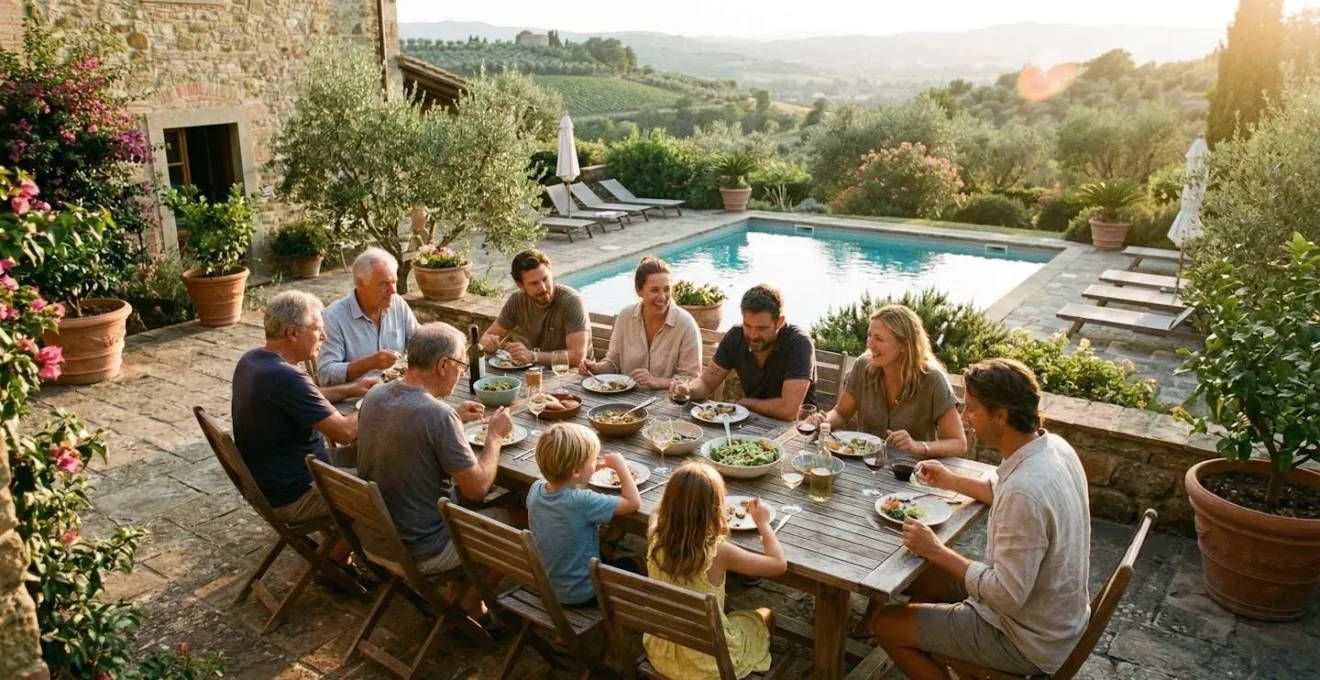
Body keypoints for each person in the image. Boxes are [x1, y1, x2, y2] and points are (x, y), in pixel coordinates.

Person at [872, 358, 1091, 680]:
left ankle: (925, 638)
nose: (963, 417)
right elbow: (1001, 490)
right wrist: (951, 480)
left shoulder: (1024, 492)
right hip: (1056, 615)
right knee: (912, 574)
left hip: (1025, 636)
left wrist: (936, 550)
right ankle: (930, 632)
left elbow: (1005, 593)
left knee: (886, 624)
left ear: (1001, 416)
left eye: (972, 409)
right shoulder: (1052, 448)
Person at [356, 322, 517, 616]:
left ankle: (465, 600)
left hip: (375, 538)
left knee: (467, 503)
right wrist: (494, 436)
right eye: (460, 365)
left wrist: (454, 417)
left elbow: (410, 424)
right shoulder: (437, 417)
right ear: (443, 365)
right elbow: (479, 488)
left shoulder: (375, 395)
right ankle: (468, 607)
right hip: (422, 549)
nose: (462, 373)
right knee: (522, 517)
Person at [231, 291, 374, 524]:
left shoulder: (252, 361)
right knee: (391, 489)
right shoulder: (285, 376)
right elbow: (346, 432)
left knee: (379, 458)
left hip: (272, 479)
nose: (324, 337)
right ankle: (339, 559)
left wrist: (352, 389)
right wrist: (377, 398)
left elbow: (300, 398)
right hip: (296, 493)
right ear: (293, 333)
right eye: (318, 329)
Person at [644, 462, 787, 680]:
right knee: (765, 616)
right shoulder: (719, 552)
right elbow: (778, 564)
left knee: (725, 604)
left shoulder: (654, 536)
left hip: (662, 652)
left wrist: (672, 495)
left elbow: (654, 515)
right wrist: (763, 522)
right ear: (715, 508)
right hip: (708, 665)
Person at [811, 305, 966, 459]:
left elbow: (959, 443)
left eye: (878, 338)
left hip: (912, 473)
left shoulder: (933, 380)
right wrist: (825, 422)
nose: (870, 345)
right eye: (869, 336)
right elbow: (842, 413)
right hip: (865, 466)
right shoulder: (862, 366)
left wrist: (917, 446)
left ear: (904, 345)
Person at [527, 423, 642, 608]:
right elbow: (633, 502)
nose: (596, 463)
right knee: (637, 562)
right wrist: (622, 468)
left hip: (549, 586)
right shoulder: (582, 501)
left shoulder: (536, 489)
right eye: (593, 460)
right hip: (583, 593)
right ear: (576, 471)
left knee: (608, 536)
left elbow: (567, 492)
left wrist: (586, 470)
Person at [680, 284, 816, 420]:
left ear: (779, 322)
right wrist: (688, 390)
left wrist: (747, 403)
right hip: (751, 422)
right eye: (748, 326)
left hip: (794, 431)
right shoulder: (735, 337)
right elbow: (706, 384)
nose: (753, 335)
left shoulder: (799, 344)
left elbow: (788, 410)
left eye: (761, 328)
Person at [578, 256, 702, 390]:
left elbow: (691, 379)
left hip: (667, 405)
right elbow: (614, 362)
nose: (662, 297)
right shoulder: (626, 316)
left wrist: (657, 382)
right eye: (655, 290)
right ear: (638, 290)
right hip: (625, 400)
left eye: (667, 289)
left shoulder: (685, 324)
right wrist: (595, 368)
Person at [317, 248, 420, 388]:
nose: (393, 290)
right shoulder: (334, 317)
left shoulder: (397, 303)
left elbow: (419, 342)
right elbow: (325, 375)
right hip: (354, 400)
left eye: (394, 282)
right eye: (384, 284)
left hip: (397, 392)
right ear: (360, 284)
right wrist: (368, 363)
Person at [479, 249, 590, 368]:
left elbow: (577, 356)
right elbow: (488, 336)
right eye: (534, 283)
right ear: (520, 285)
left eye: (545, 279)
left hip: (574, 376)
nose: (543, 288)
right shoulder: (517, 301)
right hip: (537, 371)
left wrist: (532, 356)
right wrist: (488, 343)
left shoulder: (571, 301)